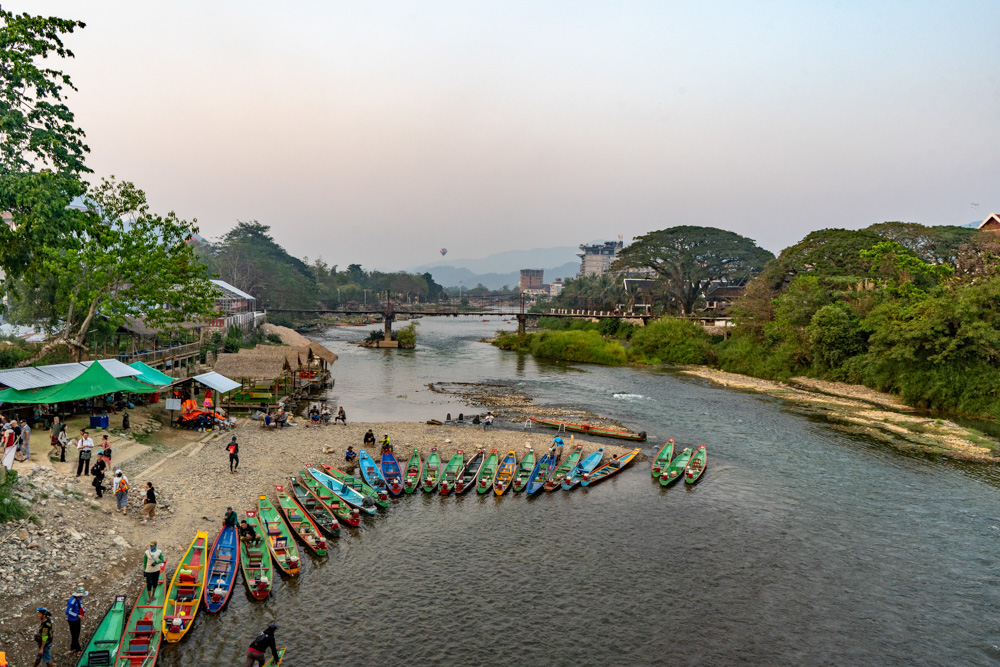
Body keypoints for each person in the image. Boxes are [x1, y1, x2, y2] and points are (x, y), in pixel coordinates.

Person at [66, 587, 87, 653]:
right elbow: (68, 612)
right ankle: (78, 649)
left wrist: (83, 612)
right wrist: (77, 615)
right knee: (74, 634)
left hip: (77, 619)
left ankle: (73, 648)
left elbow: (80, 605)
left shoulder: (79, 599)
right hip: (72, 620)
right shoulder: (72, 601)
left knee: (76, 634)